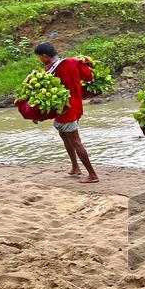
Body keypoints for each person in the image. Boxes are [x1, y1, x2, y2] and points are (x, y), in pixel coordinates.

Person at [33, 42, 98, 183]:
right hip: (76, 106)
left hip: (65, 111)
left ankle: (92, 175)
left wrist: (36, 114)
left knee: (75, 141)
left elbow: (46, 98)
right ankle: (75, 167)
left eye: (39, 58)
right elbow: (89, 77)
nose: (40, 60)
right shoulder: (73, 62)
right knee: (64, 135)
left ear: (44, 56)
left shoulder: (49, 72)